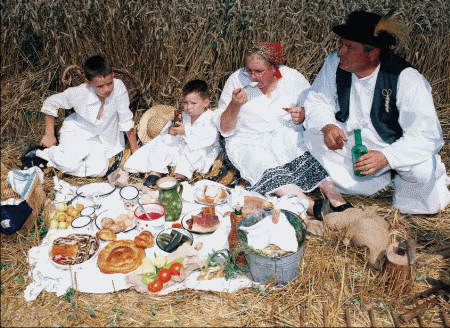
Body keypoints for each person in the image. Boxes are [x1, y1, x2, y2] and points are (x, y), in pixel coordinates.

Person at [303, 11, 450, 214]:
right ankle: (355, 185)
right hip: (348, 145)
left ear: (373, 53)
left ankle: (393, 181)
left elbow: (427, 135)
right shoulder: (334, 64)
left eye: (349, 47)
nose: (340, 52)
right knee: (307, 137)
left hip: (391, 149)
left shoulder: (406, 78)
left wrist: (386, 157)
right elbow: (317, 99)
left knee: (421, 171)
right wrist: (328, 125)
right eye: (341, 44)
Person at [216, 42, 351, 219]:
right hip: (247, 139)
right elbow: (225, 129)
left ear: (274, 68)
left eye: (259, 71)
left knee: (302, 150)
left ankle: (336, 199)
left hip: (285, 133)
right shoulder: (236, 80)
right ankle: (310, 206)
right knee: (259, 161)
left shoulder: (292, 78)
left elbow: (313, 107)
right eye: (249, 70)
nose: (252, 77)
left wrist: (302, 114)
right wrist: (234, 105)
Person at [34, 55, 139, 177]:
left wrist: (135, 150)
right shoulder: (78, 93)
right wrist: (49, 134)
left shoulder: (119, 87)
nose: (107, 89)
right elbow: (50, 103)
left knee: (99, 170)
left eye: (110, 83)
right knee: (69, 164)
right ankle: (46, 153)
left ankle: (59, 166)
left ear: (113, 75)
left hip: (102, 139)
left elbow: (125, 119)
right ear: (88, 82)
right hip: (77, 131)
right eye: (100, 86)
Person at [124, 79, 220, 187]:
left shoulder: (211, 118)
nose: (188, 107)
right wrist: (172, 129)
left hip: (201, 149)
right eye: (185, 102)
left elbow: (208, 138)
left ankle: (180, 175)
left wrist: (186, 131)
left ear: (206, 103)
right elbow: (166, 133)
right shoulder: (184, 115)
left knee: (194, 153)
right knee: (162, 141)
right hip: (182, 146)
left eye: (193, 103)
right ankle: (156, 171)